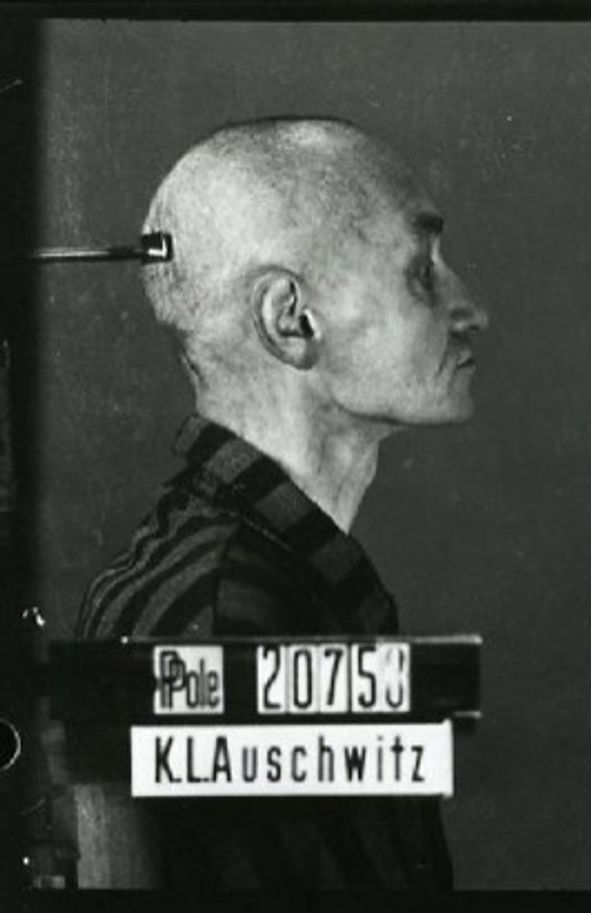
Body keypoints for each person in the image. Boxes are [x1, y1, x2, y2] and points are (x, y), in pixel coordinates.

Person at [73, 116, 487, 889]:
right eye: (422, 268)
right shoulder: (234, 614)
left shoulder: (258, 580)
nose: (472, 310)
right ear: (290, 319)